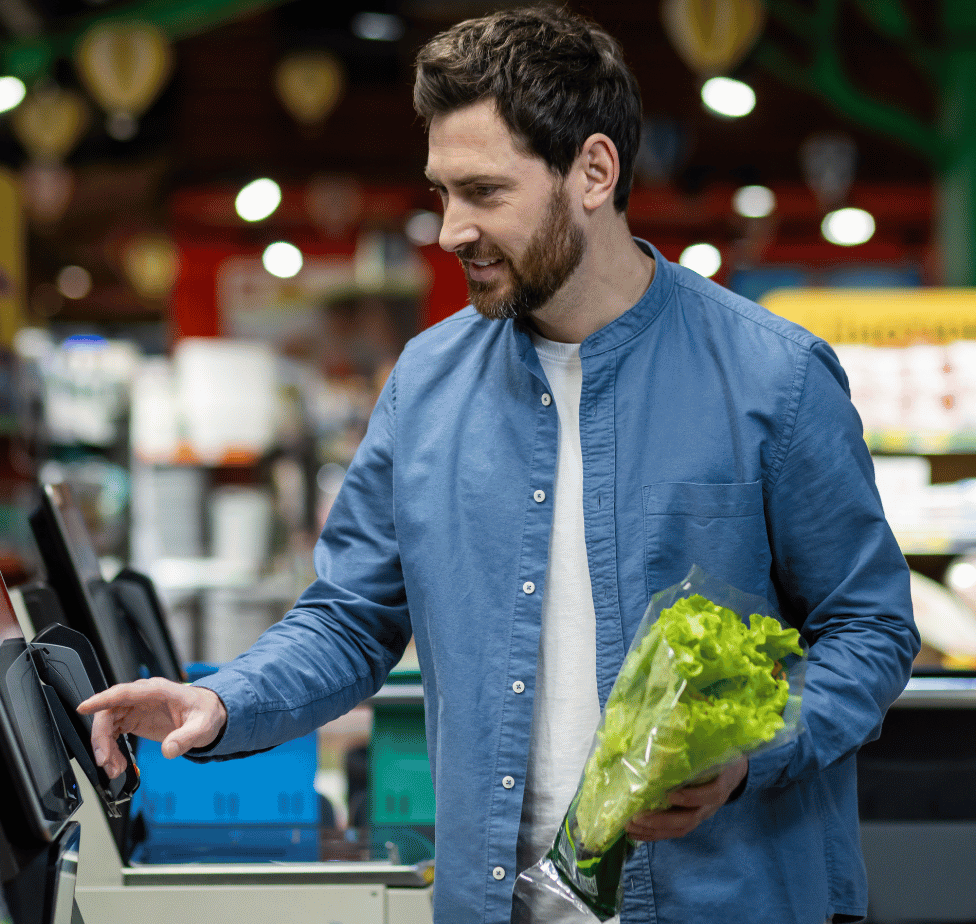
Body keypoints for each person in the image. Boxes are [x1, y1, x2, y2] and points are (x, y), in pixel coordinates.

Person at [79, 7, 918, 923]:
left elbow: (869, 632)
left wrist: (753, 751)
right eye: (443, 192)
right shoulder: (426, 385)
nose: (449, 231)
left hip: (728, 896)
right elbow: (352, 618)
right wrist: (221, 700)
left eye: (484, 192)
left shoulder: (774, 377)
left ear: (593, 172)